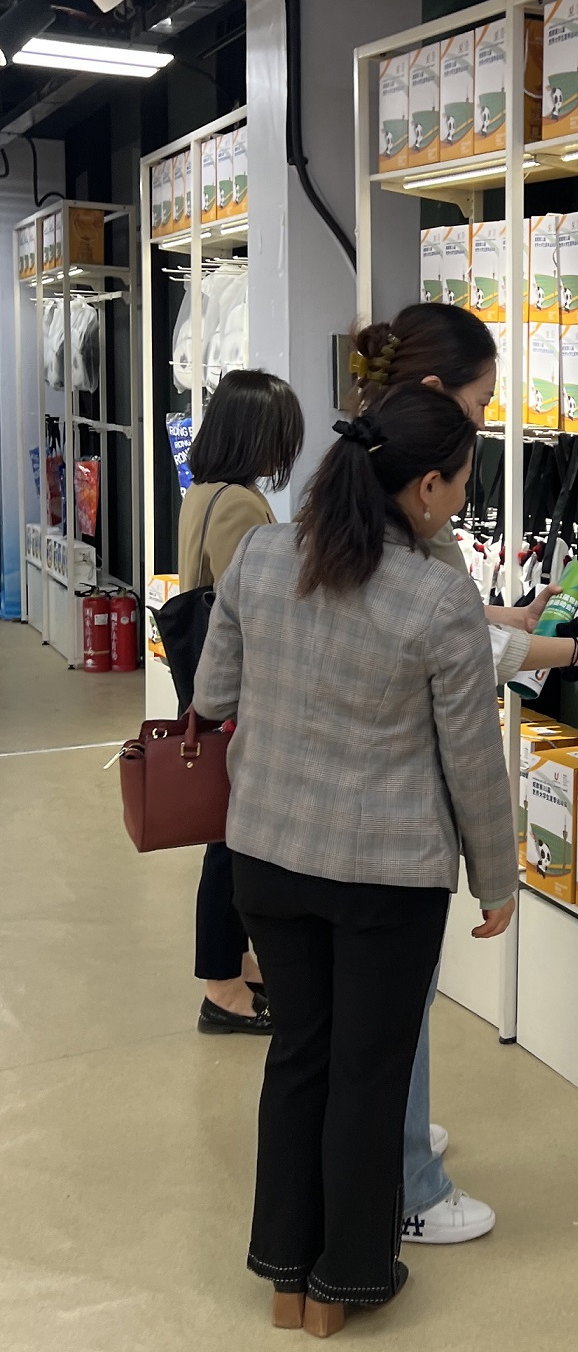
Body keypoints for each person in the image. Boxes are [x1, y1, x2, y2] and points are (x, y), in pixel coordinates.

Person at [194, 385, 516, 1336]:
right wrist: (495, 882)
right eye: (461, 482)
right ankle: (346, 1281)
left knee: (299, 1054)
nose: (461, 499)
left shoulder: (261, 555)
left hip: (267, 855)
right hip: (386, 874)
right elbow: (471, 758)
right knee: (368, 1073)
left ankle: (284, 1274)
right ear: (424, 488)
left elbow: (212, 695)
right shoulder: (438, 597)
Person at [349, 304, 578, 1245]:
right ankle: (406, 1182)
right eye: (478, 404)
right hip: (394, 816)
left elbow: (438, 623)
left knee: (383, 1010)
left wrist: (503, 619)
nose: (482, 422)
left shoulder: (359, 488)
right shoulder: (405, 506)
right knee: (401, 1001)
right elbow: (450, 654)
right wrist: (577, 651)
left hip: (330, 825)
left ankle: (392, 1148)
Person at [179, 368, 304, 1036]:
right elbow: (247, 609)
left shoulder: (204, 491)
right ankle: (220, 986)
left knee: (227, 834)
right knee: (230, 842)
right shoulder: (239, 506)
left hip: (213, 688)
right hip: (237, 695)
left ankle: (233, 961)